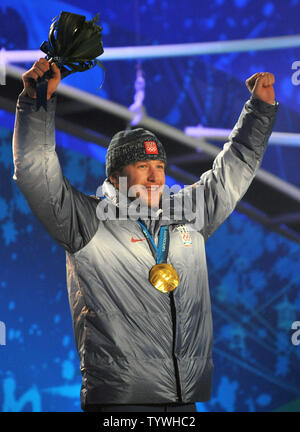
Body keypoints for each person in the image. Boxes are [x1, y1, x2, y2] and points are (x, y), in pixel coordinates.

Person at [12, 58, 278, 412]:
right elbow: (35, 173)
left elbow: (233, 170)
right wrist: (36, 103)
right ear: (115, 174)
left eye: (160, 167)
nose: (155, 178)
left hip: (184, 400)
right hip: (121, 403)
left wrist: (259, 111)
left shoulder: (187, 215)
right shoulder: (87, 220)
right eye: (142, 167)